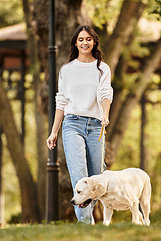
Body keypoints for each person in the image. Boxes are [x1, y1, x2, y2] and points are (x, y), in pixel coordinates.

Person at [46, 25, 113, 224]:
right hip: (72, 124)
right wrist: (54, 132)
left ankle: (96, 219)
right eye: (81, 39)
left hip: (95, 126)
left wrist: (105, 114)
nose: (85, 42)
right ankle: (85, 224)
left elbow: (105, 94)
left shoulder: (102, 68)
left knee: (95, 177)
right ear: (76, 43)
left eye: (89, 39)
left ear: (94, 43)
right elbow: (61, 101)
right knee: (79, 174)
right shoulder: (67, 70)